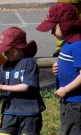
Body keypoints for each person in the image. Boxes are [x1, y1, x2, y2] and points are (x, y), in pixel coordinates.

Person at [0, 27, 46, 135]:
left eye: (7, 51)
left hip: (30, 112)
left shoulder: (29, 63)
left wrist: (2, 87)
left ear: (18, 48)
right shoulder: (5, 66)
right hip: (10, 111)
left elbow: (25, 86)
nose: (5, 54)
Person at [36, 3, 81, 135]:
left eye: (53, 28)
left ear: (65, 25)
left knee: (73, 130)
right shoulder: (68, 43)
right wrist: (59, 67)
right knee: (66, 129)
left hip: (76, 102)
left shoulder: (78, 45)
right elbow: (71, 63)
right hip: (67, 99)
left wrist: (66, 89)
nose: (51, 32)